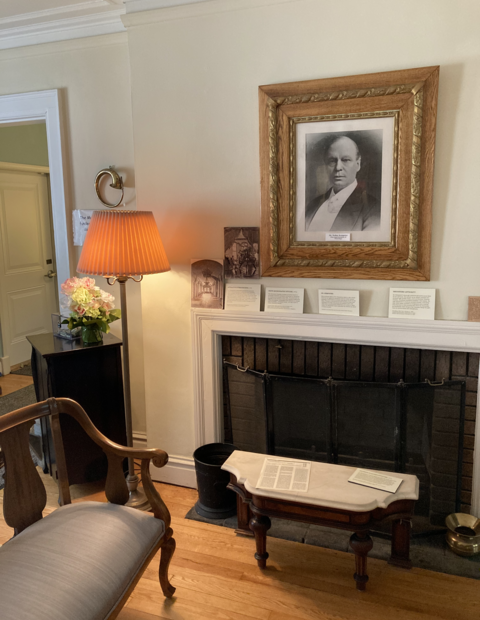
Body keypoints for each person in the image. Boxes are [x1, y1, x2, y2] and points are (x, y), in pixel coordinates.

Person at [305, 135, 381, 232]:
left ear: (358, 164)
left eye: (345, 160)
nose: (338, 168)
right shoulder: (312, 205)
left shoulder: (373, 209)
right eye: (332, 161)